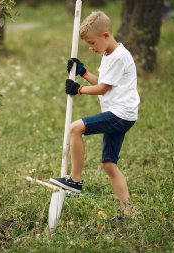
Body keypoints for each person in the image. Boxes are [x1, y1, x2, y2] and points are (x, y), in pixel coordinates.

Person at [49, 11, 140, 220]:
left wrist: (78, 89)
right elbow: (101, 80)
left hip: (120, 113)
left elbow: (103, 88)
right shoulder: (109, 55)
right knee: (109, 164)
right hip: (121, 114)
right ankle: (129, 213)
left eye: (92, 43)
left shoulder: (119, 56)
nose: (91, 48)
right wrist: (82, 72)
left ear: (106, 35)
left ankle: (75, 180)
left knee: (75, 128)